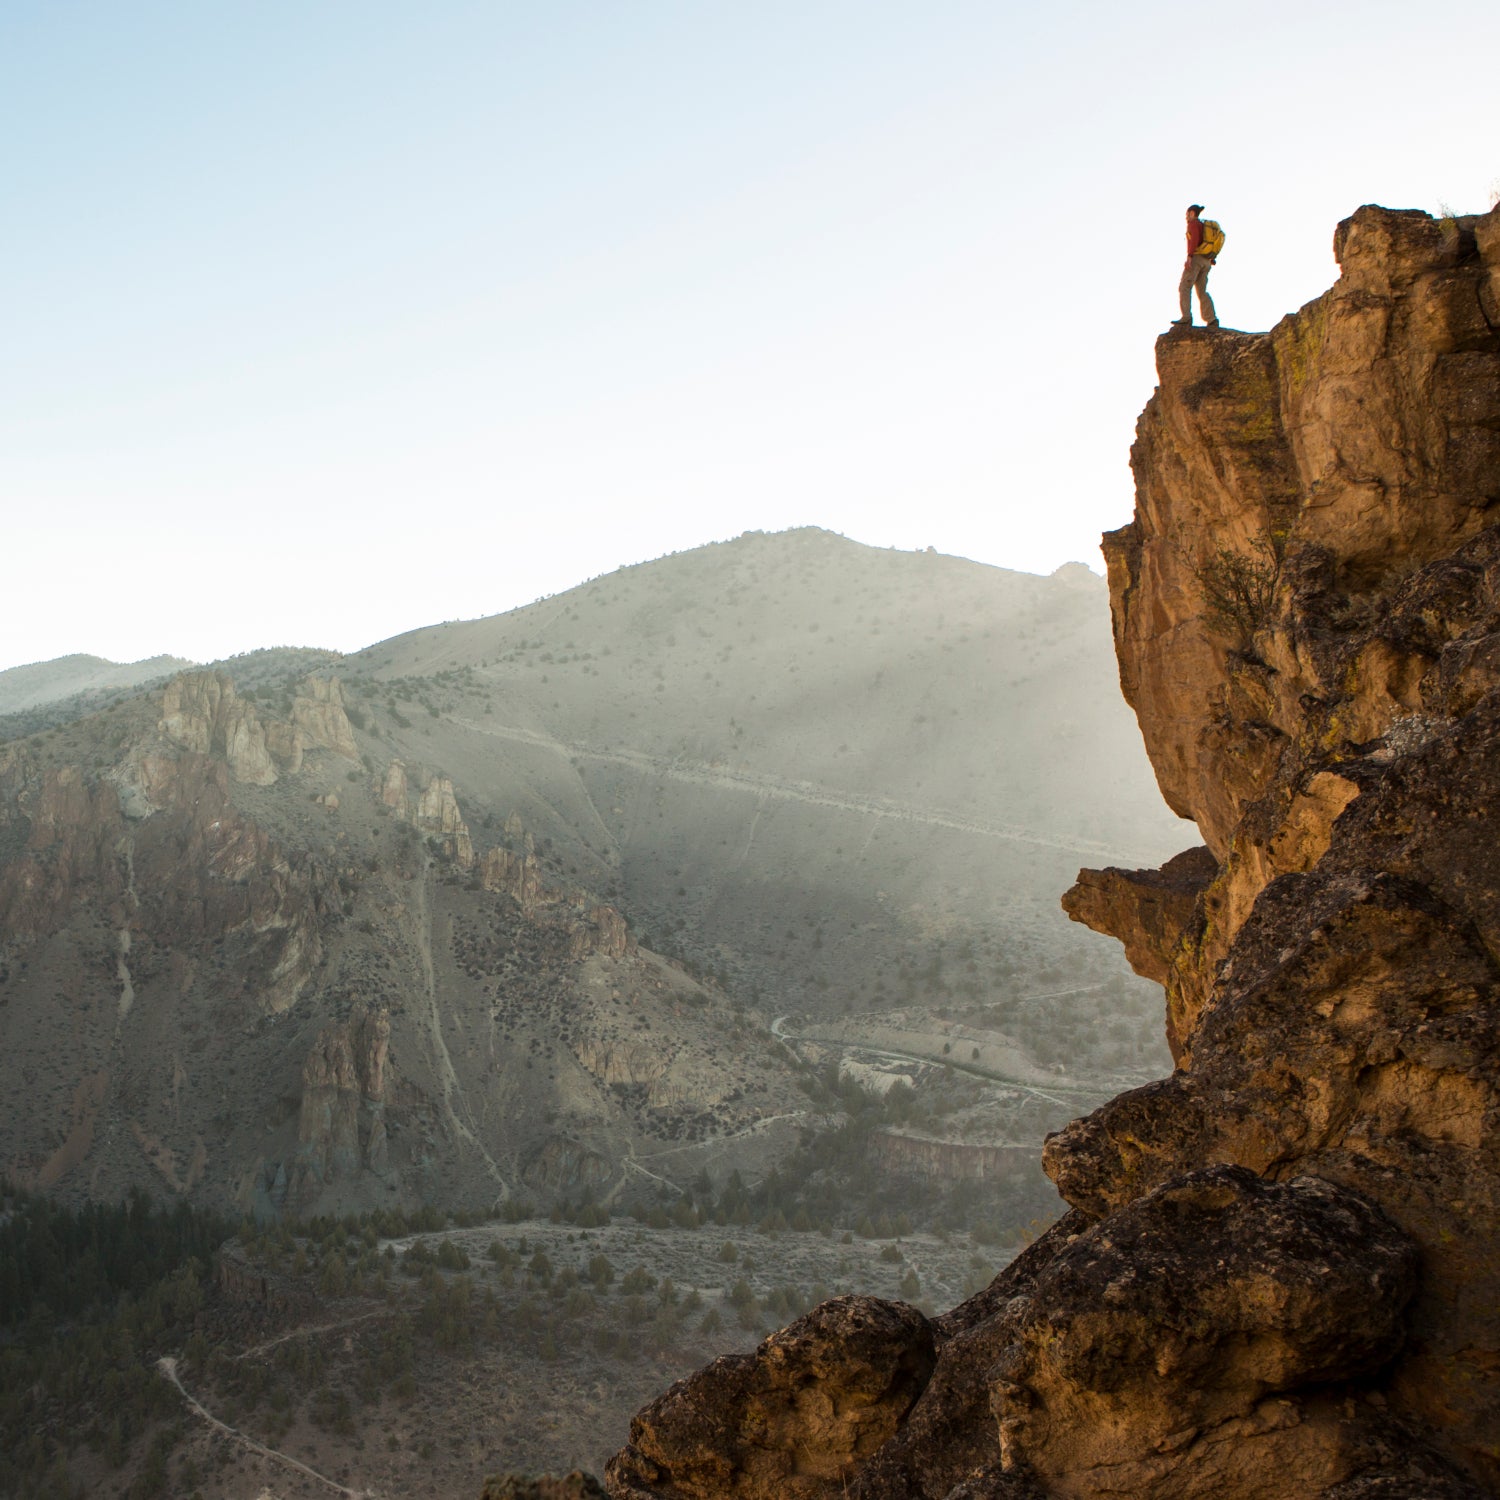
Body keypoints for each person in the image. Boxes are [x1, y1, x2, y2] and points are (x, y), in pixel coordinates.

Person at [1173, 204, 1219, 329]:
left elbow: (1194, 240)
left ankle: (1186, 318)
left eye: (1187, 214)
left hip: (1196, 259)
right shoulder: (1203, 226)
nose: (1186, 217)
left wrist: (1189, 256)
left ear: (1192, 213)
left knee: (1184, 286)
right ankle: (1211, 319)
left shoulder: (1193, 224)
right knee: (1202, 291)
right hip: (1206, 262)